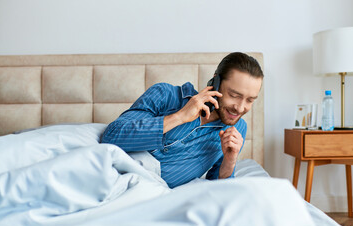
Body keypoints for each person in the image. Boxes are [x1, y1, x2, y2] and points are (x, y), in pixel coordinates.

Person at [101, 52, 264, 188]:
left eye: (250, 100)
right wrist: (180, 117)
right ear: (216, 82)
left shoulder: (237, 129)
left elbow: (217, 189)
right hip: (115, 176)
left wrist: (230, 161)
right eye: (234, 96)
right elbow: (112, 136)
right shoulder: (165, 95)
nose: (240, 108)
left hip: (153, 194)